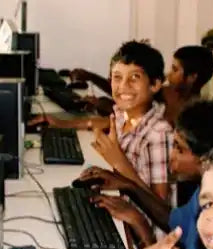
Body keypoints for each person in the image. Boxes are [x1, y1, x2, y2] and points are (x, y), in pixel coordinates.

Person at [83, 99, 213, 249]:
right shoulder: (205, 189)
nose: (171, 156)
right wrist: (129, 187)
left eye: (179, 149)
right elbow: (174, 220)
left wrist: (140, 225)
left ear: (208, 158)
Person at [30, 40, 173, 200]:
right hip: (122, 203)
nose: (123, 86)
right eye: (117, 77)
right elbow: (104, 122)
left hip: (138, 220)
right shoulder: (125, 111)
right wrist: (62, 123)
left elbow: (162, 208)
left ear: (155, 85)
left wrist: (119, 163)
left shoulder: (157, 133)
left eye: (134, 77)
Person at [71, 45, 213, 124]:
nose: (169, 73)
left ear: (191, 77)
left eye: (175, 70)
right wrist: (91, 77)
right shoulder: (168, 92)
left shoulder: (195, 113)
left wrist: (106, 107)